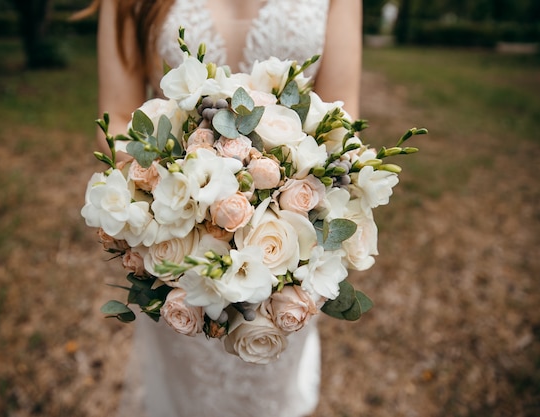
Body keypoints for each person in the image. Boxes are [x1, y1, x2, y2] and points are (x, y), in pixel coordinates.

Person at [80, 1, 362, 416]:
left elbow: (342, 118)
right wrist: (180, 185)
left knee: (270, 386)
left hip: (287, 246)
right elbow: (118, 117)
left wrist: (277, 191)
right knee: (188, 393)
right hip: (178, 243)